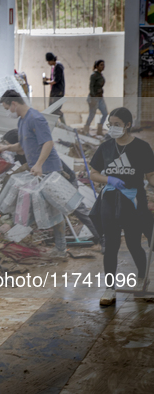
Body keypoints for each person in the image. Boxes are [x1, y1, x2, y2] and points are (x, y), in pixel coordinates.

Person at [89, 107, 154, 306]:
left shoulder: (142, 147)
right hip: (109, 200)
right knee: (111, 246)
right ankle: (110, 288)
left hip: (133, 201)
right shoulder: (105, 147)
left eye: (117, 124)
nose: (113, 128)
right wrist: (109, 179)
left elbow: (150, 175)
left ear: (127, 125)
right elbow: (93, 173)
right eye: (111, 124)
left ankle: (142, 278)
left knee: (134, 243)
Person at [0, 129, 102, 249]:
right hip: (47, 184)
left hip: (64, 180)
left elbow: (56, 170)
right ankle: (60, 248)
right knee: (55, 215)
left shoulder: (37, 151)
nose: (8, 147)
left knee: (78, 210)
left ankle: (103, 239)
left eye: (9, 144)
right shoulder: (18, 154)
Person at [0, 90, 67, 258]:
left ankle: (61, 249)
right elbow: (22, 146)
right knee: (37, 207)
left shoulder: (36, 118)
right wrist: (6, 147)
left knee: (55, 210)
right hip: (38, 170)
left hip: (48, 169)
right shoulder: (22, 121)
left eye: (7, 108)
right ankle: (21, 238)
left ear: (14, 103)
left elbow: (48, 143)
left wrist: (39, 164)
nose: (8, 112)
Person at [83, 60, 108, 136]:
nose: (103, 66)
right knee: (92, 114)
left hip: (100, 98)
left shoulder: (100, 75)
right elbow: (91, 87)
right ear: (96, 66)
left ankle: (99, 130)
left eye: (103, 65)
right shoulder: (94, 75)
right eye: (101, 65)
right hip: (94, 98)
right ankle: (86, 130)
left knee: (105, 113)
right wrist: (93, 98)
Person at [43, 52, 66, 124]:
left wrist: (47, 83)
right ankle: (54, 125)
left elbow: (56, 80)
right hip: (54, 91)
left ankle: (63, 124)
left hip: (58, 92)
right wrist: (47, 79)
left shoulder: (58, 66)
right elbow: (54, 78)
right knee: (51, 109)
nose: (48, 63)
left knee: (55, 109)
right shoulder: (54, 67)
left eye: (49, 61)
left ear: (53, 60)